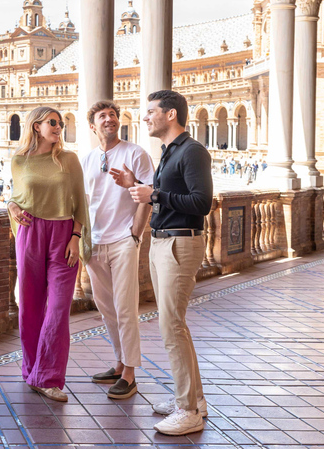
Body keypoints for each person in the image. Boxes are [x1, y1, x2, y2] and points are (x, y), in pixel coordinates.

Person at [125, 90, 213, 436]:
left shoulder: (192, 152)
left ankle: (187, 410)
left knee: (171, 327)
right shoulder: (170, 153)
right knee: (175, 325)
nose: (145, 117)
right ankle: (193, 400)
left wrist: (155, 195)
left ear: (171, 114)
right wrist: (141, 188)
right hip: (164, 242)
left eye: (151, 112)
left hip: (180, 242)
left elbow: (201, 202)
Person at [7, 106, 91, 403]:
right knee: (29, 306)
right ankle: (31, 371)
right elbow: (16, 197)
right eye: (53, 122)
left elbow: (80, 200)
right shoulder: (19, 160)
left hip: (63, 235)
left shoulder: (69, 160)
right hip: (30, 234)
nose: (59, 127)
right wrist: (12, 207)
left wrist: (76, 237)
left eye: (61, 122)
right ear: (36, 126)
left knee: (57, 309)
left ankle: (48, 376)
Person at [81, 101, 153, 399]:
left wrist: (135, 234)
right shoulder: (87, 159)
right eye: (103, 116)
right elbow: (85, 201)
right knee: (106, 307)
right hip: (95, 243)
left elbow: (148, 195)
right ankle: (119, 361)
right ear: (93, 126)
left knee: (125, 307)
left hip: (123, 240)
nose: (110, 119)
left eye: (113, 115)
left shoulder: (135, 153)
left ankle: (131, 373)